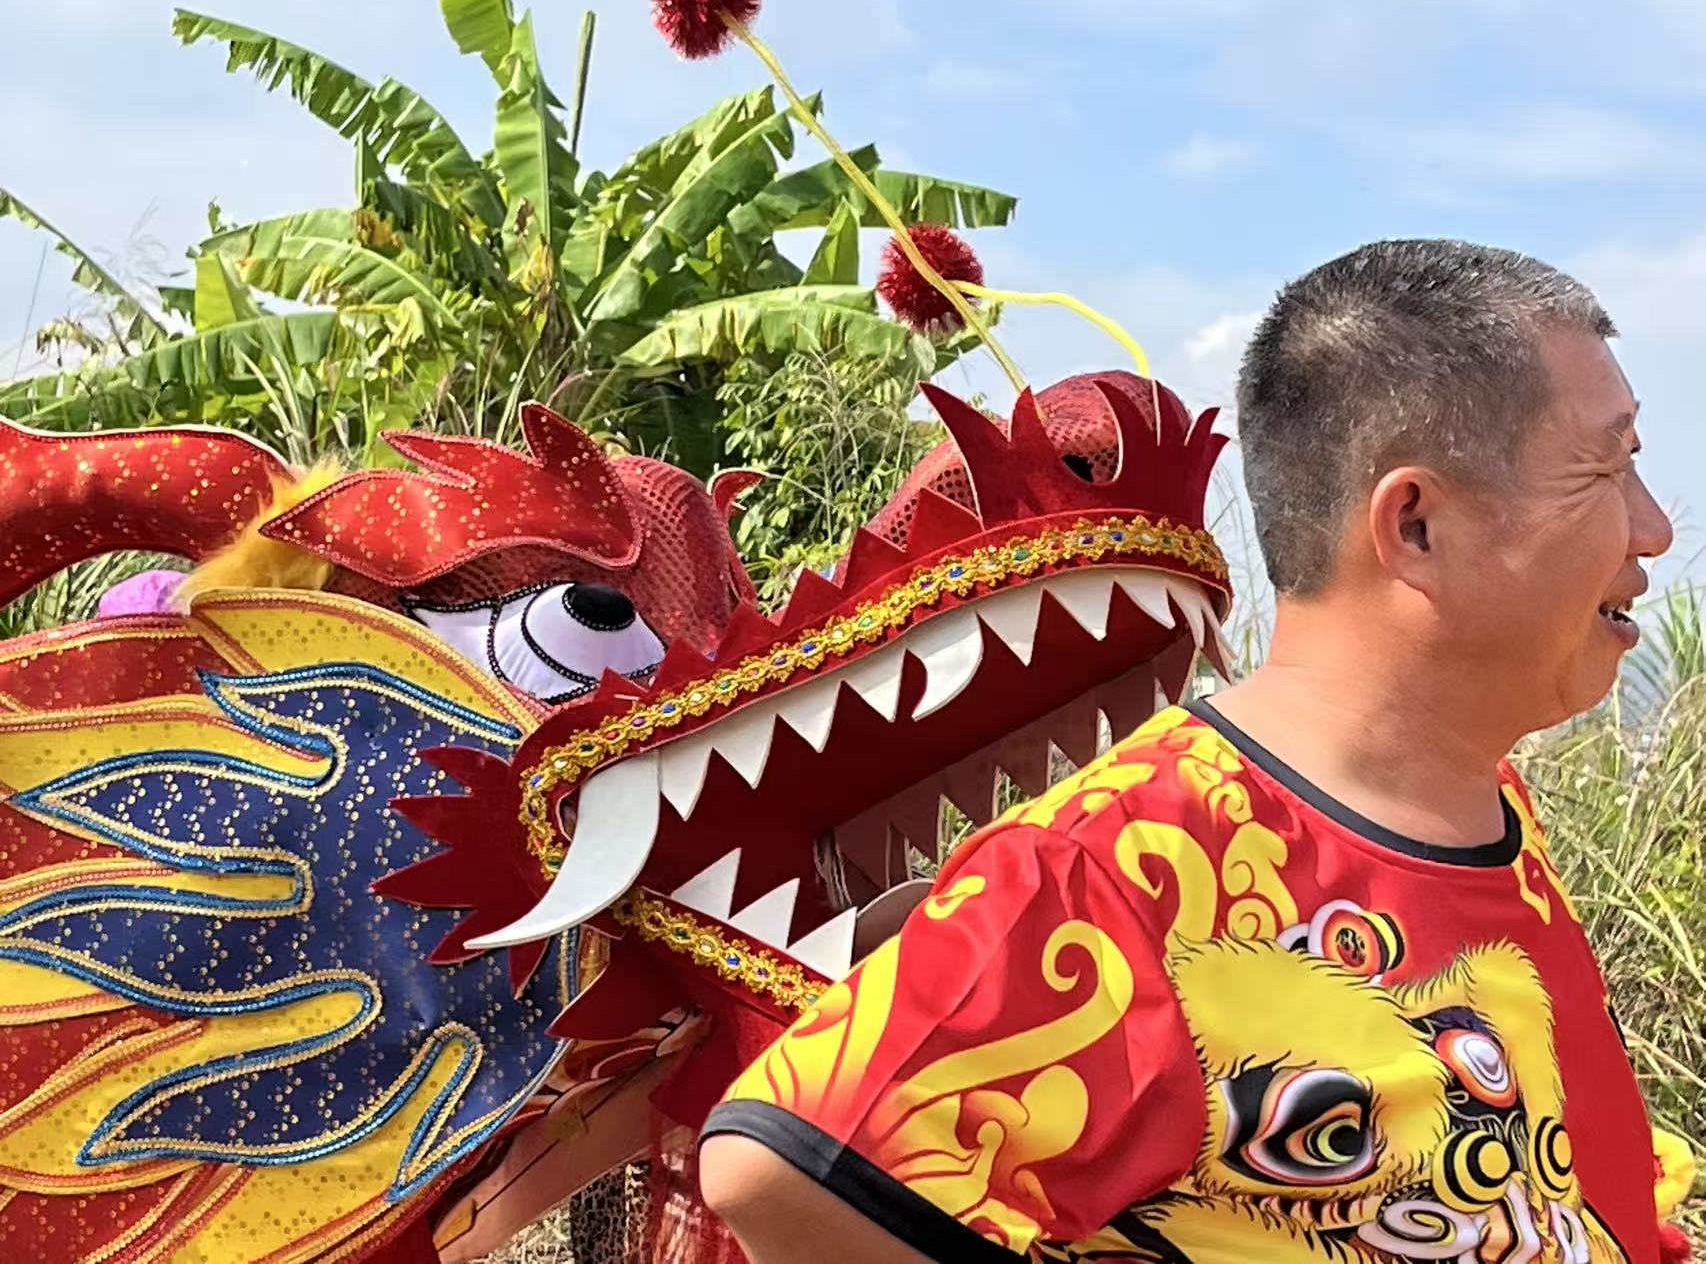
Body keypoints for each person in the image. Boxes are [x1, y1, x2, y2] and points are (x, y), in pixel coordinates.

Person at [696, 239, 1677, 1263]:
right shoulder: (1110, 868)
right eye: (1606, 468)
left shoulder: (1483, 802)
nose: (1651, 529)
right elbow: (781, 1170)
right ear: (1416, 524)